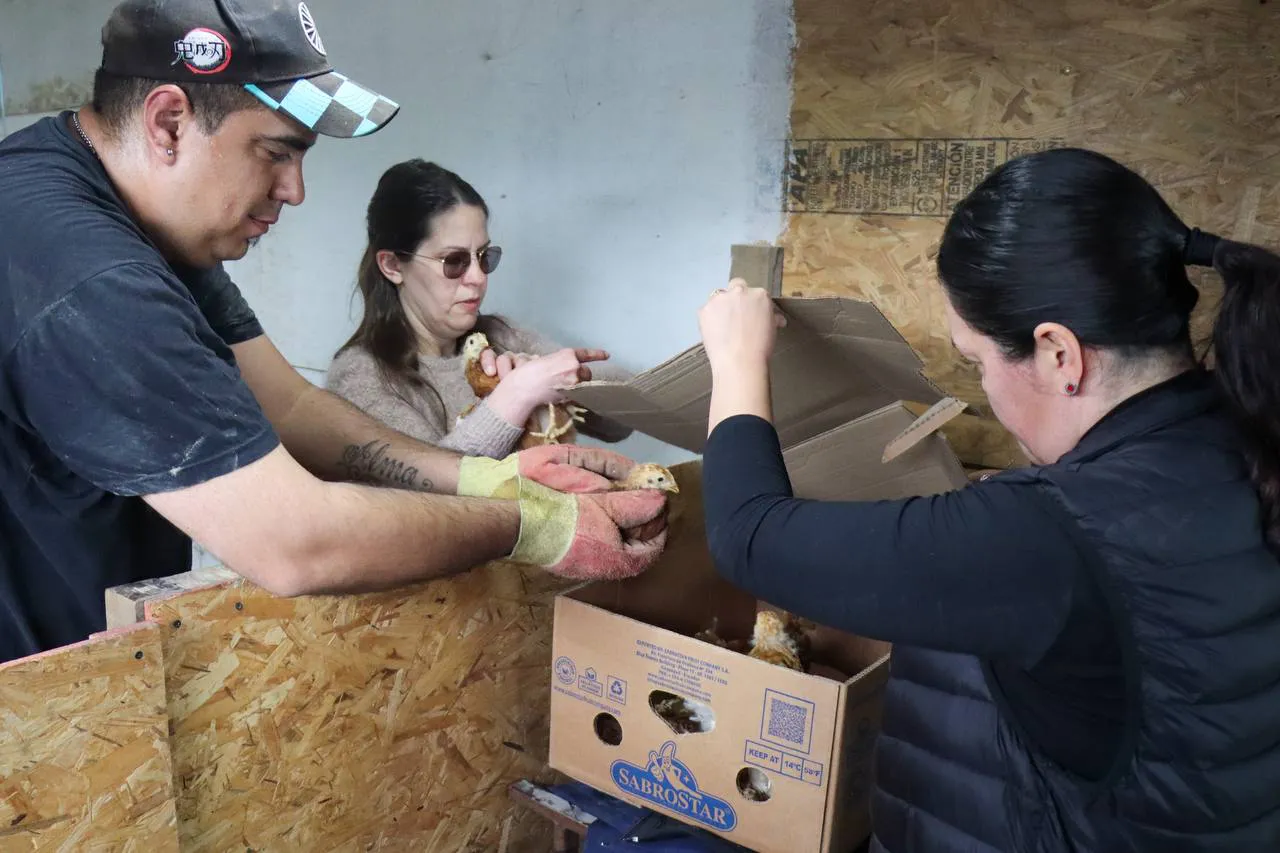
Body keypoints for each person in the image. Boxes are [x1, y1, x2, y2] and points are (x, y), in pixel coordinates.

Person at [0, 0, 667, 666]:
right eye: (276, 152)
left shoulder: (145, 222)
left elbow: (288, 405)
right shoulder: (90, 273)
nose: (295, 190)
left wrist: (481, 479)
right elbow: (295, 542)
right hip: (36, 689)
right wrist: (537, 524)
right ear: (169, 122)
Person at [696, 147, 1280, 851]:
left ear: (1060, 354)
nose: (987, 391)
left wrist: (736, 359)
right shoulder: (1242, 433)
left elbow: (746, 536)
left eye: (976, 362)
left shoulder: (1052, 533)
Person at [325, 159, 633, 458]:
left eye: (485, 257)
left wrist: (559, 376)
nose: (478, 277)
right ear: (393, 266)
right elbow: (426, 484)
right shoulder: (360, 376)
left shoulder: (499, 335)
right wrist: (518, 394)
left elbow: (624, 420)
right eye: (454, 261)